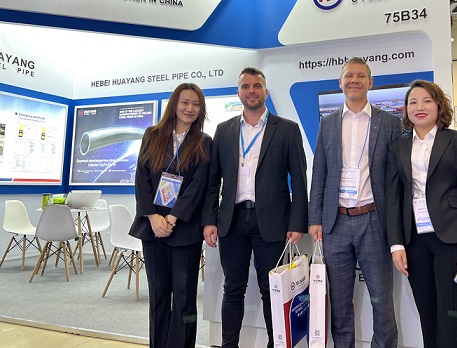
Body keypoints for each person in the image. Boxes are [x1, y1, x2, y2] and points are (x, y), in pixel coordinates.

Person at [202, 67, 308, 348]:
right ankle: (229, 345)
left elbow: (299, 178)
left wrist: (297, 223)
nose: (251, 91)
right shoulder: (224, 130)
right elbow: (213, 180)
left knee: (271, 289)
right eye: (246, 86)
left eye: (257, 86)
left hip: (271, 221)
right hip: (232, 219)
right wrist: (209, 219)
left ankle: (277, 344)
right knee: (232, 288)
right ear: (239, 92)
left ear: (266, 91)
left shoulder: (287, 129)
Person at [385, 79, 457, 348]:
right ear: (406, 109)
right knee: (427, 313)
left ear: (439, 105)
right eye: (413, 102)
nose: (419, 107)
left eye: (427, 101)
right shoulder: (398, 147)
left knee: (455, 314)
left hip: (452, 241)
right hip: (414, 241)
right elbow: (394, 198)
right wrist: (396, 244)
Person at [309, 57, 400, 347]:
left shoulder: (390, 123)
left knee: (382, 301)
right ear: (341, 82)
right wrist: (314, 219)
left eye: (361, 76)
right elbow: (319, 172)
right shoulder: (328, 123)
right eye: (349, 75)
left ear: (370, 83)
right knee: (339, 303)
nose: (354, 80)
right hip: (335, 223)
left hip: (374, 221)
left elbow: (396, 179)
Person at [130, 83, 211, 348]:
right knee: (159, 295)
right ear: (174, 104)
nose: (190, 108)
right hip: (153, 228)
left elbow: (198, 186)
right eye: (185, 102)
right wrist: (153, 217)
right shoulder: (152, 135)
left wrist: (173, 218)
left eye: (196, 104)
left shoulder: (203, 142)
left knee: (186, 299)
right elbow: (142, 178)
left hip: (184, 229)